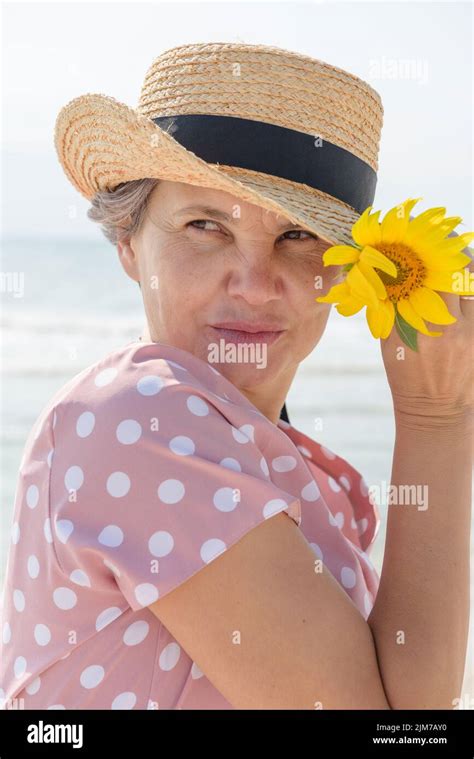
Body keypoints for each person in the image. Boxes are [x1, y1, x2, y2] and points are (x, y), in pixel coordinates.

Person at [0, 42, 471, 710]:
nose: (253, 285)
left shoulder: (263, 454)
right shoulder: (136, 420)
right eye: (204, 225)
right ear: (130, 243)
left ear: (345, 272)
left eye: (299, 236)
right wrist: (435, 420)